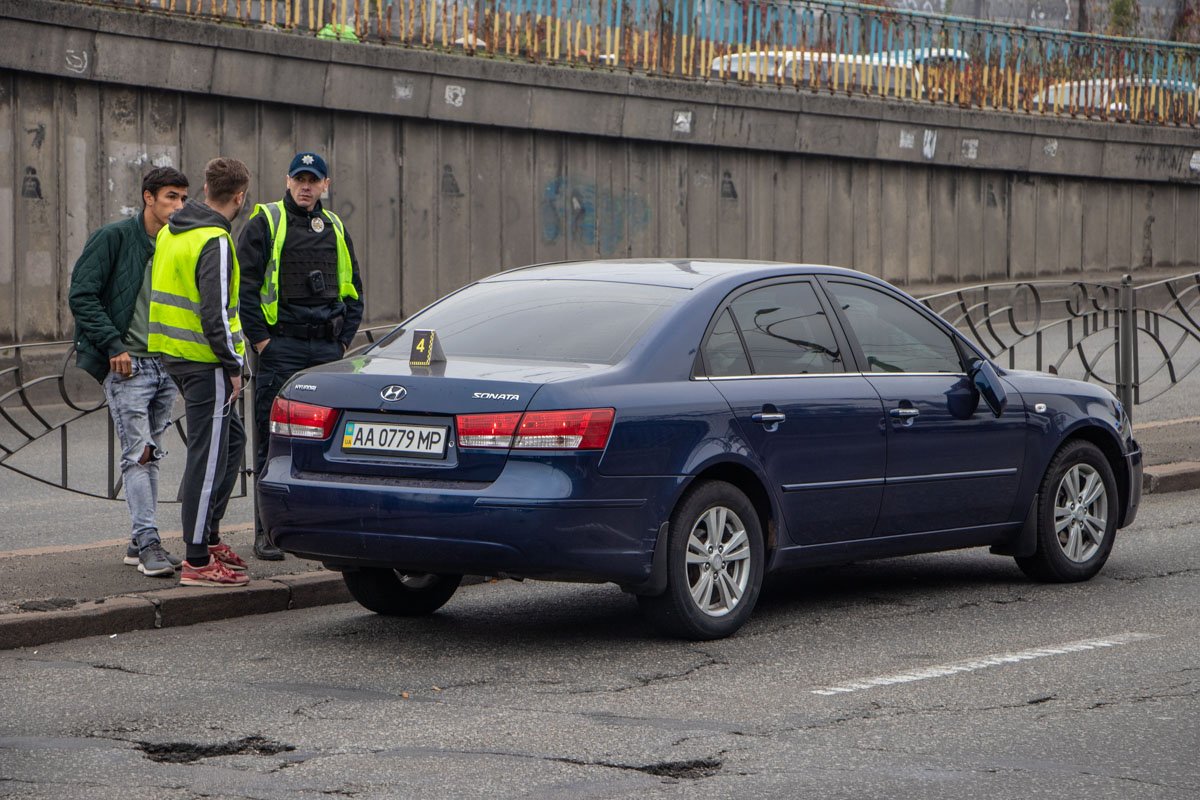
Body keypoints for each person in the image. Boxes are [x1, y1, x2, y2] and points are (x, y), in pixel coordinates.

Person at [238, 151, 364, 560]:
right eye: (299, 179)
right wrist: (263, 343)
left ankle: (324, 530)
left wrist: (342, 343)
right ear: (287, 181)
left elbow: (354, 290)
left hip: (326, 348)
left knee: (331, 440)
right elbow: (245, 289)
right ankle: (266, 532)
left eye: (313, 180)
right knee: (272, 440)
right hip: (282, 347)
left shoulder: (335, 226)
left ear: (326, 184)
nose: (305, 187)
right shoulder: (266, 221)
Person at [68, 167, 190, 578]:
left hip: (165, 364)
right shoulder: (114, 237)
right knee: (139, 454)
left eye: (184, 198)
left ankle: (140, 542)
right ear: (148, 197)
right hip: (129, 365)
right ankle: (149, 543)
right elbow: (82, 295)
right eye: (171, 196)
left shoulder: (177, 243)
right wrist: (113, 345)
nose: (179, 206)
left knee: (152, 455)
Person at [149, 157, 252, 588]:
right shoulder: (215, 240)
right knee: (207, 458)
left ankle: (208, 536)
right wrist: (234, 366)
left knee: (232, 441)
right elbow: (216, 314)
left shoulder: (172, 231)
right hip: (205, 360)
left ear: (206, 189)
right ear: (240, 197)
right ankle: (197, 559)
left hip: (174, 353)